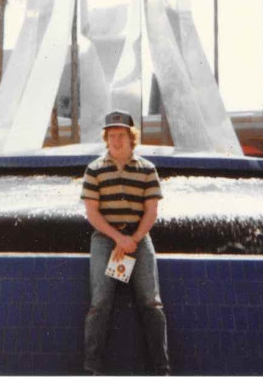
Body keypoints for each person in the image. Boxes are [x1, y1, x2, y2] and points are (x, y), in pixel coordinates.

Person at [81, 110, 169, 375]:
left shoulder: (147, 170)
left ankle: (161, 369)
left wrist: (132, 239)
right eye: (111, 135)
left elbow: (151, 212)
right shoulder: (94, 170)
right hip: (106, 239)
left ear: (132, 138)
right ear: (106, 139)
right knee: (100, 303)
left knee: (151, 302)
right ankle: (92, 369)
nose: (117, 140)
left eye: (122, 135)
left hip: (139, 239)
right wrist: (119, 238)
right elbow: (92, 213)